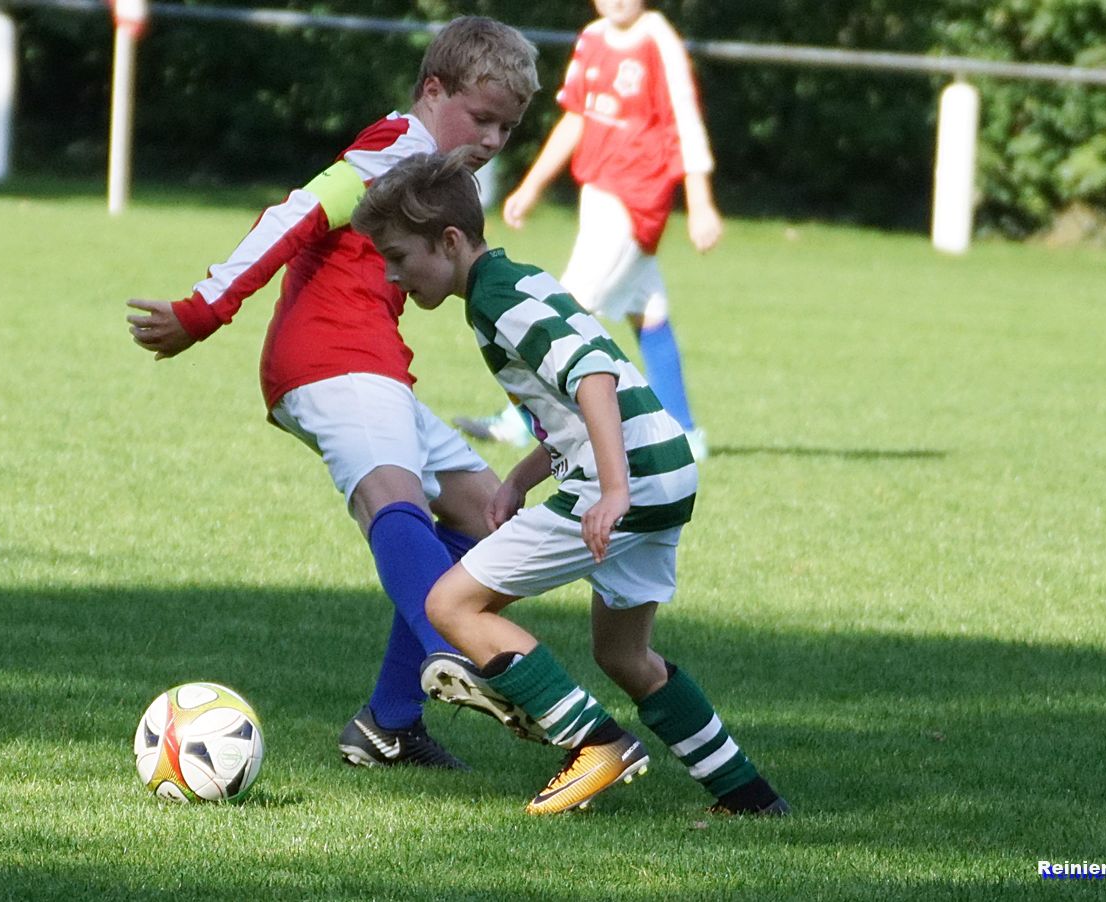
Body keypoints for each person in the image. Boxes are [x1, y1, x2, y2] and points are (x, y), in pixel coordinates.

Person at [124, 18, 539, 770]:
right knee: (392, 497)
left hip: (371, 362)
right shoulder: (397, 146)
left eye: (507, 128)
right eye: (481, 118)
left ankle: (389, 724)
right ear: (432, 90)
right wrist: (203, 309)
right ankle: (455, 648)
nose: (491, 139)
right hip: (331, 357)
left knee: (488, 516)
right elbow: (295, 214)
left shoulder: (437, 170)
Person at [352, 151, 787, 817]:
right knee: (624, 655)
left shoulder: (497, 301)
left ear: (450, 241)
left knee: (451, 604)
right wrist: (521, 476)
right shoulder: (518, 280)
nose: (391, 274)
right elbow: (568, 405)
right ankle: (750, 799)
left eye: (398, 257)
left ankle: (596, 744)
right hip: (664, 468)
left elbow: (593, 378)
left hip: (628, 478)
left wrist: (613, 491)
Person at [456, 0, 719, 461]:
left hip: (634, 198)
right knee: (648, 310)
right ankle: (684, 432)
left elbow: (685, 121)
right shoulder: (594, 39)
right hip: (598, 195)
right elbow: (577, 118)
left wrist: (699, 202)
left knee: (561, 311)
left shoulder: (657, 40)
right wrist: (533, 184)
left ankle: (524, 423)